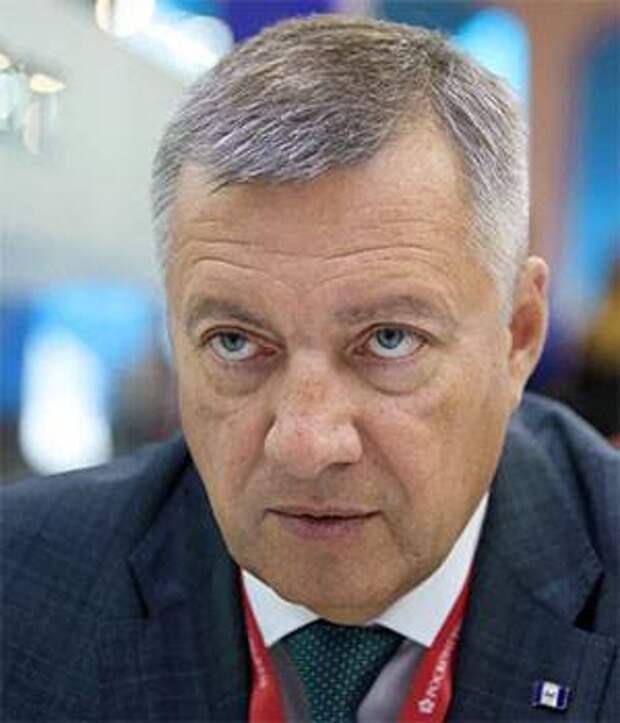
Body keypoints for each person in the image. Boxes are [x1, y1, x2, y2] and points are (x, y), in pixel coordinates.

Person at [2, 15, 618, 722]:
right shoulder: (21, 590)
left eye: (389, 339)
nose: (305, 444)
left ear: (518, 334)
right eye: (235, 343)